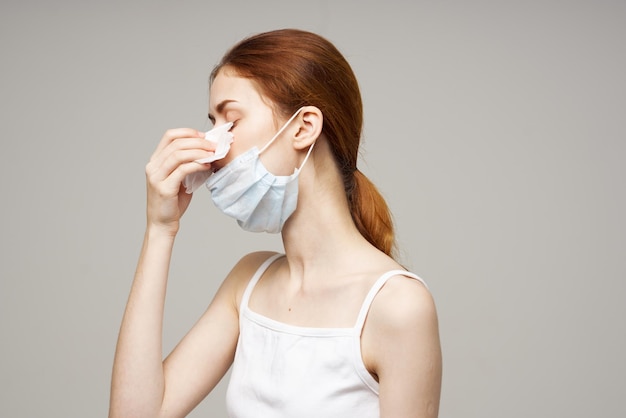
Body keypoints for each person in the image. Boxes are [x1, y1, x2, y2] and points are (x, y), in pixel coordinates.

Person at [109, 28, 442, 418]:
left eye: (230, 122)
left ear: (303, 128)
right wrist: (159, 230)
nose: (212, 148)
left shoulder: (398, 306)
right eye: (213, 122)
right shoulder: (248, 281)